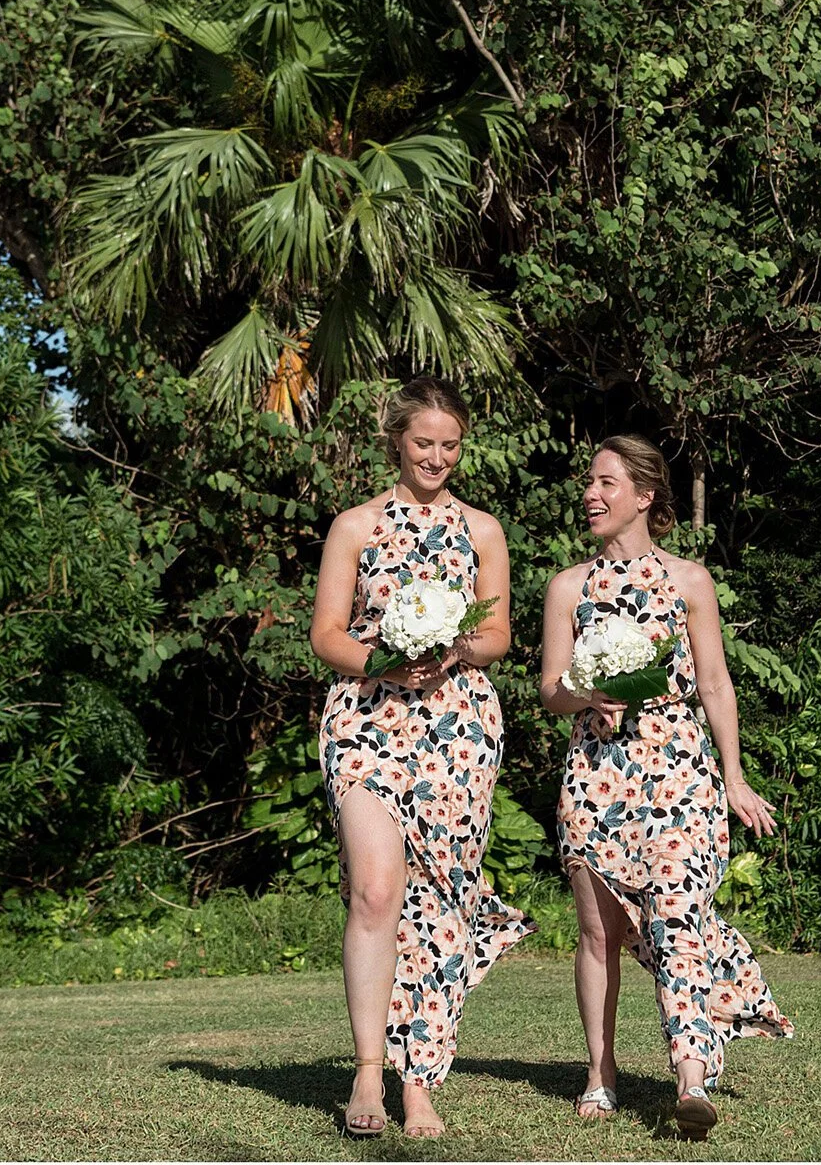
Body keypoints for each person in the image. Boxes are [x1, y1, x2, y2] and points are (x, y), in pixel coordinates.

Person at [539, 435, 793, 1141]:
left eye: (605, 483)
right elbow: (550, 690)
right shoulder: (568, 586)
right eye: (588, 482)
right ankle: (600, 1073)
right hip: (595, 774)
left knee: (678, 916)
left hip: (679, 768)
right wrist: (586, 692)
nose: (589, 494)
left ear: (645, 496)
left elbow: (714, 682)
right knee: (599, 933)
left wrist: (735, 778)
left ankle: (690, 1078)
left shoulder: (690, 581)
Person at [309, 376, 533, 1139]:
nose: (437, 456)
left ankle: (420, 1082)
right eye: (423, 442)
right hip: (367, 719)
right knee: (375, 891)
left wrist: (448, 645)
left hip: (457, 723)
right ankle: (369, 1074)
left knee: (440, 897)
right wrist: (384, 658)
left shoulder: (484, 530)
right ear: (397, 442)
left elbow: (499, 635)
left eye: (450, 444)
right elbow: (327, 635)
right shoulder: (356, 525)